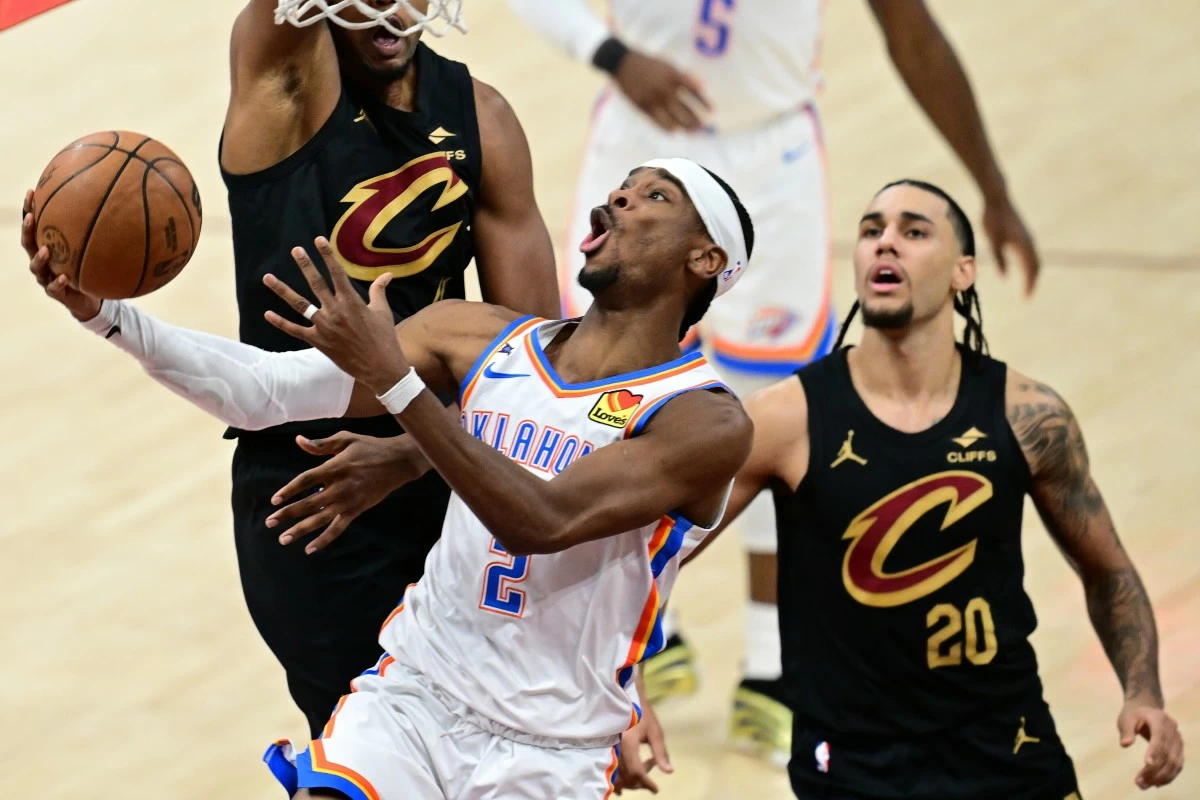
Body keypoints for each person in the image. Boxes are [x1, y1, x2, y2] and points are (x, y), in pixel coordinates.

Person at [28, 159, 755, 797]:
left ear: (703, 258)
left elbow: (541, 520)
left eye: (655, 196)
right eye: (623, 187)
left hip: (551, 748)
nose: (622, 198)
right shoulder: (474, 335)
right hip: (417, 695)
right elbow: (265, 393)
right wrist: (109, 317)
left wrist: (400, 388)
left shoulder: (703, 421)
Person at [507, 0, 1042, 760]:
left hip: (771, 158)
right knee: (605, 393)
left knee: (773, 413)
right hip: (642, 141)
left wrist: (991, 184)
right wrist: (611, 56)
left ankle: (770, 665)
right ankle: (631, 633)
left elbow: (910, 31)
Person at [51, 0, 554, 737]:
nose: (390, 7)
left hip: (455, 460)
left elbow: (536, 366)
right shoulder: (281, 84)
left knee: (481, 750)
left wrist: (415, 452)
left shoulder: (484, 119)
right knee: (367, 751)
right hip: (312, 483)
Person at [684, 179, 1184, 798]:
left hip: (1011, 754)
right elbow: (655, 557)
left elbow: (1108, 573)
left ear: (962, 271)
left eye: (913, 231)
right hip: (853, 773)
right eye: (871, 231)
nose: (884, 243)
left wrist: (1144, 693)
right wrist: (621, 692)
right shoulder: (786, 420)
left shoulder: (1029, 417)